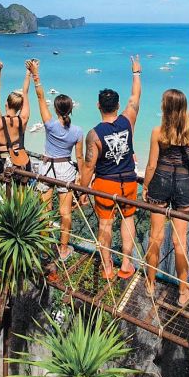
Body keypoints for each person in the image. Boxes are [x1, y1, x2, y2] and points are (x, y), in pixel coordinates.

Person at [143, 36, 189, 305]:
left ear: (163, 107)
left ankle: (149, 283)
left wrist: (145, 187)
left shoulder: (158, 132)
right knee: (179, 240)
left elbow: (150, 164)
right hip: (183, 184)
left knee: (156, 237)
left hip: (159, 182)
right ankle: (183, 290)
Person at [78, 55, 142, 280]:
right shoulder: (128, 120)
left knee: (105, 224)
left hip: (106, 183)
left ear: (98, 106)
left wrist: (83, 191)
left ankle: (107, 267)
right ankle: (126, 264)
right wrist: (136, 73)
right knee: (128, 220)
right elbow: (135, 97)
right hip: (129, 181)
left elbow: (88, 167)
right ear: (117, 105)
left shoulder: (94, 134)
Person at [27, 59, 84, 260]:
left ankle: (43, 247)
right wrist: (82, 181)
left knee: (44, 210)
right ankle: (63, 248)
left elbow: (41, 97)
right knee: (65, 212)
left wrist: (36, 74)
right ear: (71, 110)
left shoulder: (50, 125)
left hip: (46, 169)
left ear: (57, 109)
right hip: (65, 171)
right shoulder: (77, 131)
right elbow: (79, 157)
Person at [0, 59, 31, 172]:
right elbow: (25, 93)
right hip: (22, 164)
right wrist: (28, 73)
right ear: (20, 107)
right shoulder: (23, 120)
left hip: (2, 166)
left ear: (6, 104)